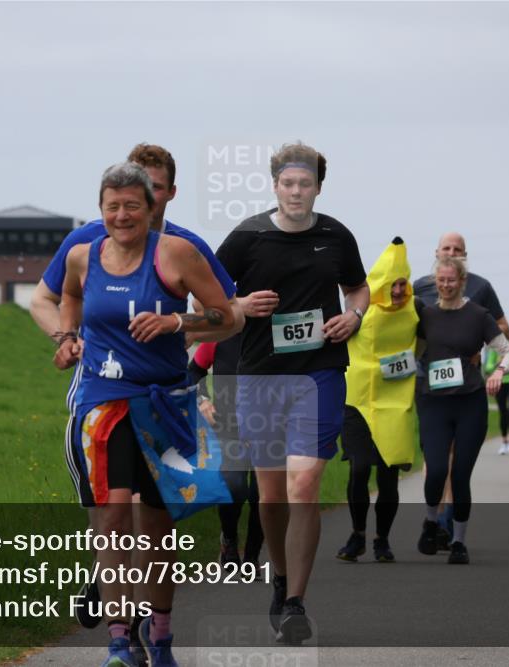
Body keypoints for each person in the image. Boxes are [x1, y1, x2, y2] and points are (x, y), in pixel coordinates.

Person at [29, 143, 240, 661]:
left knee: (158, 525)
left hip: (164, 402)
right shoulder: (83, 252)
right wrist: (66, 338)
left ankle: (160, 634)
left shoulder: (177, 254)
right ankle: (119, 640)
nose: (121, 215)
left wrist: (176, 322)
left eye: (132, 205)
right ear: (100, 210)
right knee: (112, 514)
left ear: (152, 208)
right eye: (111, 206)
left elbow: (229, 316)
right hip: (103, 401)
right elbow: (67, 296)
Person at [215, 142, 369, 644]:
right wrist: (239, 304)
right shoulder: (247, 237)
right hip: (260, 375)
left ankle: (298, 600)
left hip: (319, 373)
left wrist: (355, 316)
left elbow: (358, 288)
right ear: (275, 185)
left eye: (305, 183)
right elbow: (208, 295)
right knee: (272, 494)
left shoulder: (336, 235)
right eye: (288, 183)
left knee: (304, 487)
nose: (297, 191)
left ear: (318, 187)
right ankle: (279, 577)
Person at [415, 256, 509, 564]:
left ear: (462, 282)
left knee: (460, 476)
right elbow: (414, 355)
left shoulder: (478, 315)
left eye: (451, 280)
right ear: (436, 281)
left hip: (470, 402)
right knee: (436, 471)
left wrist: (498, 372)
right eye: (441, 281)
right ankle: (431, 521)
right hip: (433, 402)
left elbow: (507, 351)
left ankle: (458, 542)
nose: (446, 286)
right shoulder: (427, 316)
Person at [338, 237, 419, 564]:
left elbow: (437, 336)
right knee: (359, 468)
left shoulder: (416, 311)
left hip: (394, 404)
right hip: (356, 400)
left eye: (403, 284)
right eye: (392, 284)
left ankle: (381, 540)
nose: (398, 290)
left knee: (388, 477)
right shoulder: (361, 307)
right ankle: (357, 534)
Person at [188, 338, 264, 571]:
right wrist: (202, 400)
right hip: (228, 427)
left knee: (261, 495)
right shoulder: (221, 335)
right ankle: (229, 541)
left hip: (268, 427)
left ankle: (251, 557)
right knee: (234, 485)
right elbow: (193, 372)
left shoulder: (274, 332)